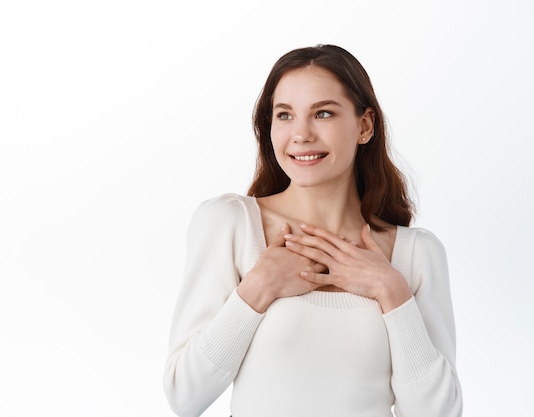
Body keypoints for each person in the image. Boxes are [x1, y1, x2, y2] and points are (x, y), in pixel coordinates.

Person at [163, 44, 463, 417]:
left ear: (365, 126)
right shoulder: (231, 224)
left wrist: (391, 290)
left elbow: (436, 413)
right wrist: (258, 287)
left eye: (322, 113)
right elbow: (184, 395)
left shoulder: (416, 254)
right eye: (285, 115)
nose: (301, 134)